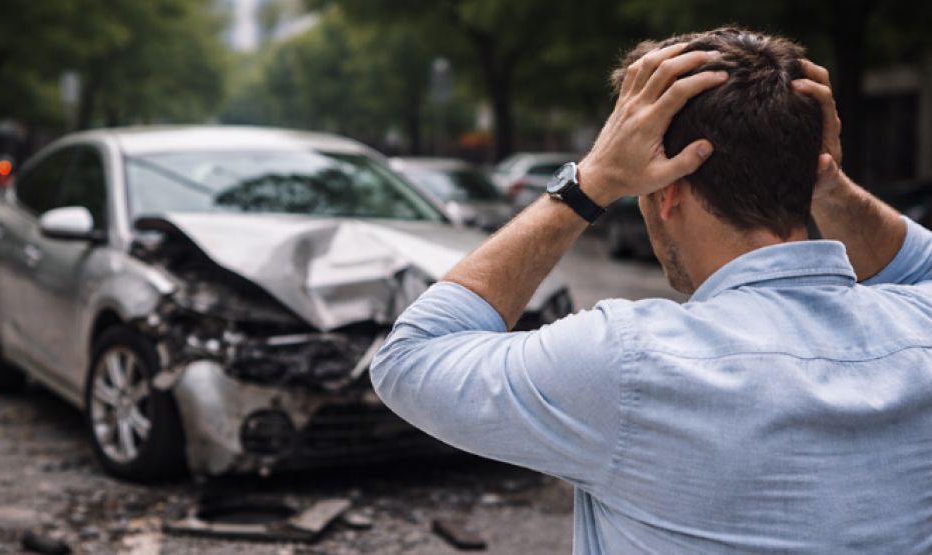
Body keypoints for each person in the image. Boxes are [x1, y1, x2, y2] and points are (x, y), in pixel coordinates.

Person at [370, 27, 932, 554]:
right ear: (812, 171)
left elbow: (409, 359)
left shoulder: (627, 363)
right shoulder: (919, 324)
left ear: (668, 193)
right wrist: (827, 180)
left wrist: (588, 184)